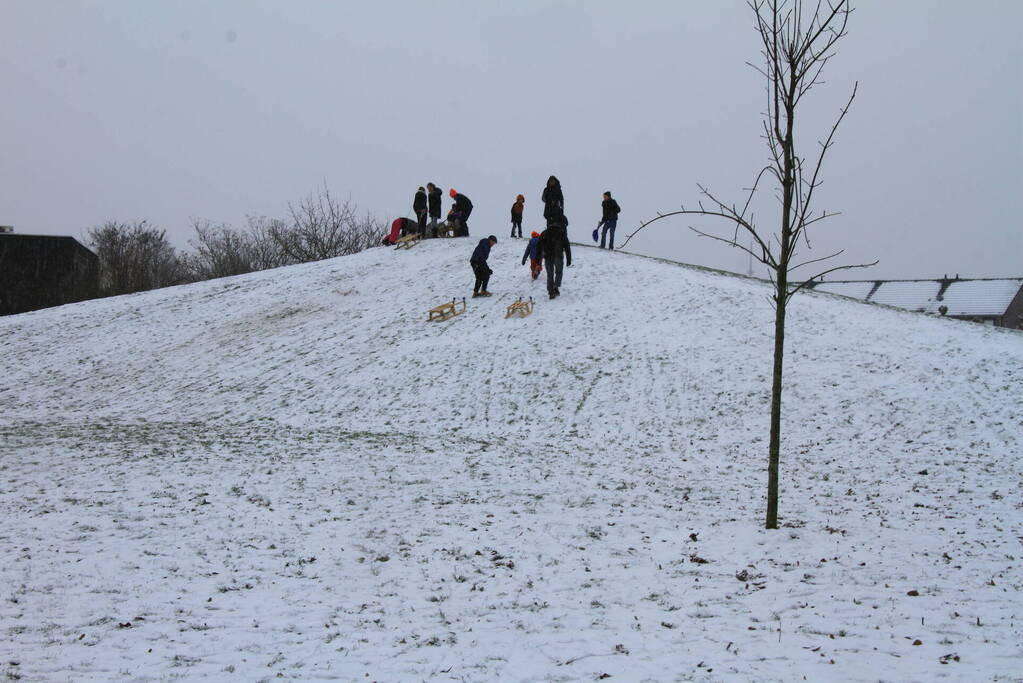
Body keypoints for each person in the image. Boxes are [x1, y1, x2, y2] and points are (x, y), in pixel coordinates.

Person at [539, 213, 571, 299]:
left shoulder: (544, 233)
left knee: (550, 274)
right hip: (558, 255)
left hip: (548, 256)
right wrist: (569, 259)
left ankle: (550, 291)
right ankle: (556, 287)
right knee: (559, 272)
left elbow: (539, 247)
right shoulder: (562, 233)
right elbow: (567, 246)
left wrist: (539, 260)